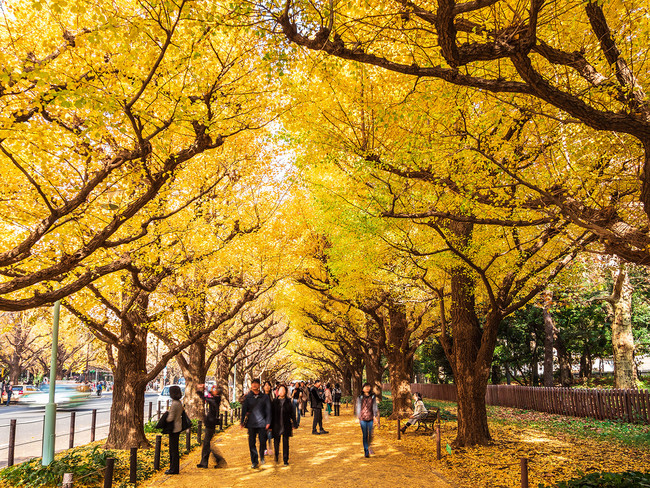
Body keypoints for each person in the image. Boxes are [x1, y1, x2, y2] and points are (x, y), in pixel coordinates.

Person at [241, 378, 271, 469]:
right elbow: (244, 410)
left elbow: (268, 410)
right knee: (251, 443)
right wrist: (242, 421)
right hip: (251, 423)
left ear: (259, 385)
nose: (254, 385)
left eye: (256, 383)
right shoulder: (247, 397)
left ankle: (261, 456)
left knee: (262, 441)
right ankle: (254, 461)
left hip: (262, 423)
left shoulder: (265, 397)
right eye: (253, 383)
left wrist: (268, 422)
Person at [196, 384, 227, 469]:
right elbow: (208, 396)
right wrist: (205, 389)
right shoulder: (215, 398)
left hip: (211, 423)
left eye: (214, 389)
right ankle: (204, 462)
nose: (212, 389)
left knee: (207, 443)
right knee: (207, 443)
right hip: (210, 422)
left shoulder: (216, 399)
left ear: (217, 392)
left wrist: (200, 392)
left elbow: (207, 399)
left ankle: (220, 460)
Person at [270, 385, 298, 466]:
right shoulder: (274, 401)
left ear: (285, 391)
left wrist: (294, 423)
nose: (281, 391)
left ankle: (285, 459)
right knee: (276, 442)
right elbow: (271, 414)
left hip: (286, 424)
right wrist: (270, 426)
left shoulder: (288, 401)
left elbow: (292, 413)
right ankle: (276, 456)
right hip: (276, 424)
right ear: (278, 392)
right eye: (280, 390)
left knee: (286, 443)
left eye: (283, 390)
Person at [355, 382, 379, 458]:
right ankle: (366, 450)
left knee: (370, 433)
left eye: (368, 386)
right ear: (363, 388)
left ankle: (369, 446)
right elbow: (358, 407)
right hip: (363, 418)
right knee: (365, 434)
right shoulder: (360, 397)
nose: (367, 388)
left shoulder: (373, 397)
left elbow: (374, 406)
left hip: (370, 417)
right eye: (365, 387)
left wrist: (375, 416)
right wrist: (358, 417)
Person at [165, 385, 184, 474]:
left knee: (173, 450)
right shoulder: (179, 402)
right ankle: (174, 468)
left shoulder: (174, 404)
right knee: (174, 449)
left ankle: (173, 469)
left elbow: (170, 418)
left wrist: (166, 416)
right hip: (178, 427)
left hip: (174, 429)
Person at [262, 381, 274, 457]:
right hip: (263, 418)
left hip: (271, 418)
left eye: (268, 385)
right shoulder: (261, 396)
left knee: (269, 434)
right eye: (265, 385)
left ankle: (269, 448)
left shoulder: (272, 396)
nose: (267, 387)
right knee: (263, 435)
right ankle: (264, 449)